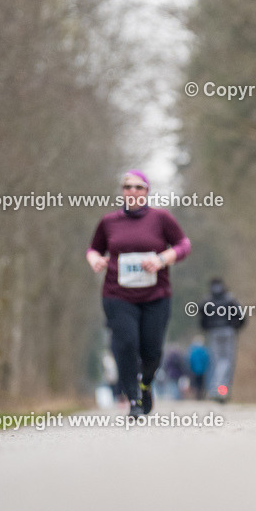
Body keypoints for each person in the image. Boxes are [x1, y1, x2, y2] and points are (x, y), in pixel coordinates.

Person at [86, 170, 191, 419]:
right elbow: (94, 248)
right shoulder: (109, 222)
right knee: (125, 344)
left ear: (147, 191)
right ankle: (133, 399)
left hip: (156, 296)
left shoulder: (161, 219)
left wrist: (162, 259)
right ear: (122, 191)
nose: (132, 192)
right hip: (117, 294)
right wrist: (95, 260)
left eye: (138, 187)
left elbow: (183, 245)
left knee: (152, 350)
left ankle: (145, 385)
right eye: (127, 187)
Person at [199, 278, 246, 402]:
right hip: (229, 332)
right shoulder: (230, 299)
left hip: (214, 332)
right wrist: (236, 327)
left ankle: (218, 390)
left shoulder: (207, 300)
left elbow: (202, 316)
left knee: (216, 361)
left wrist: (207, 327)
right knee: (226, 361)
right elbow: (241, 315)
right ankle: (220, 390)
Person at [188, 336, 209, 400]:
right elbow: (206, 360)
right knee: (201, 383)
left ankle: (196, 396)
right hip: (202, 370)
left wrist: (191, 368)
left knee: (195, 383)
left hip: (194, 370)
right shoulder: (204, 351)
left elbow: (191, 360)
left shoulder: (193, 351)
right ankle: (201, 395)